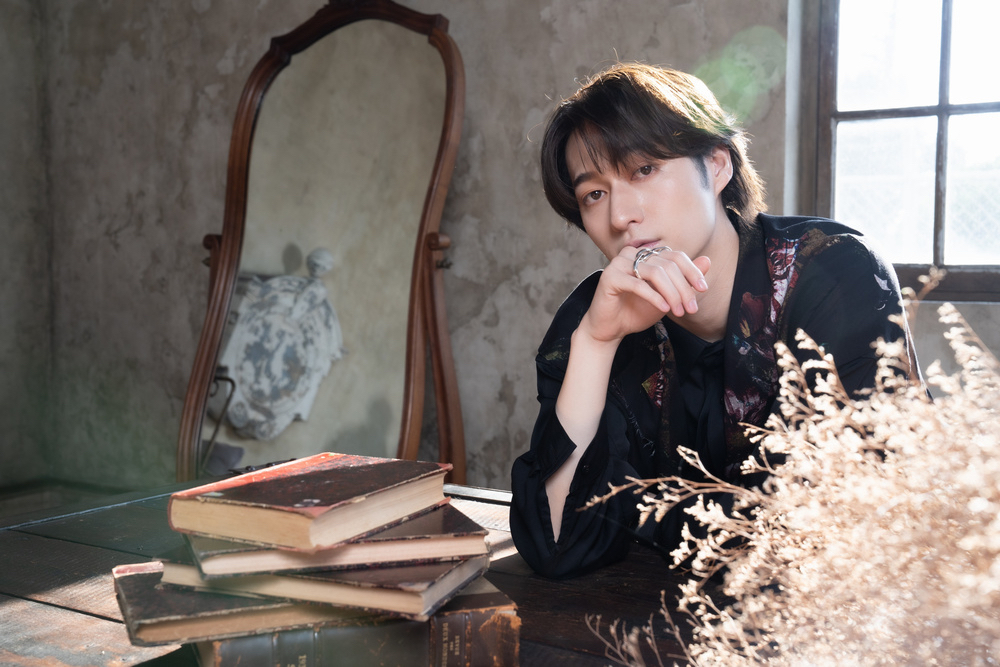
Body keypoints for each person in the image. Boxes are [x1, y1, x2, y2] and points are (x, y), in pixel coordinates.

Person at [509, 62, 920, 579]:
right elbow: (557, 544)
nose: (619, 216)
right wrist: (596, 341)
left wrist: (651, 517)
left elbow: (840, 524)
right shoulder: (595, 315)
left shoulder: (832, 273)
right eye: (594, 194)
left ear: (718, 165)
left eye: (643, 170)